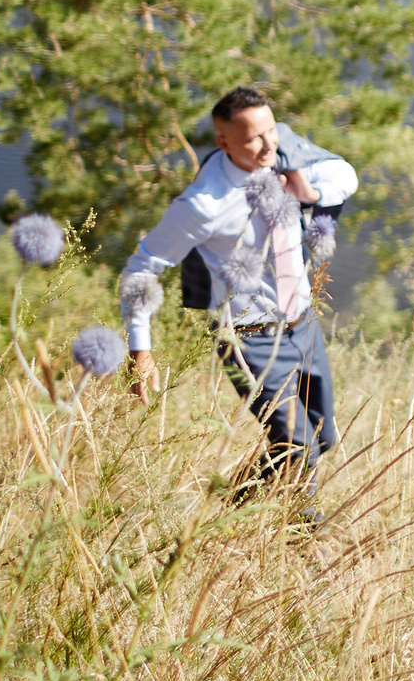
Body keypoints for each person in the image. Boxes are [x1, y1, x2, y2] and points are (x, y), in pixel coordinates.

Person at [121, 86, 357, 490]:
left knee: (322, 437)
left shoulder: (282, 152)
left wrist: (309, 193)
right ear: (223, 143)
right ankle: (303, 539)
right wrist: (140, 351)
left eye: (271, 132)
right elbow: (140, 268)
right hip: (248, 336)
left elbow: (345, 174)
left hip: (303, 323)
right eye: (253, 139)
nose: (268, 146)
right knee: (298, 445)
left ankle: (237, 501)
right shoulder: (203, 205)